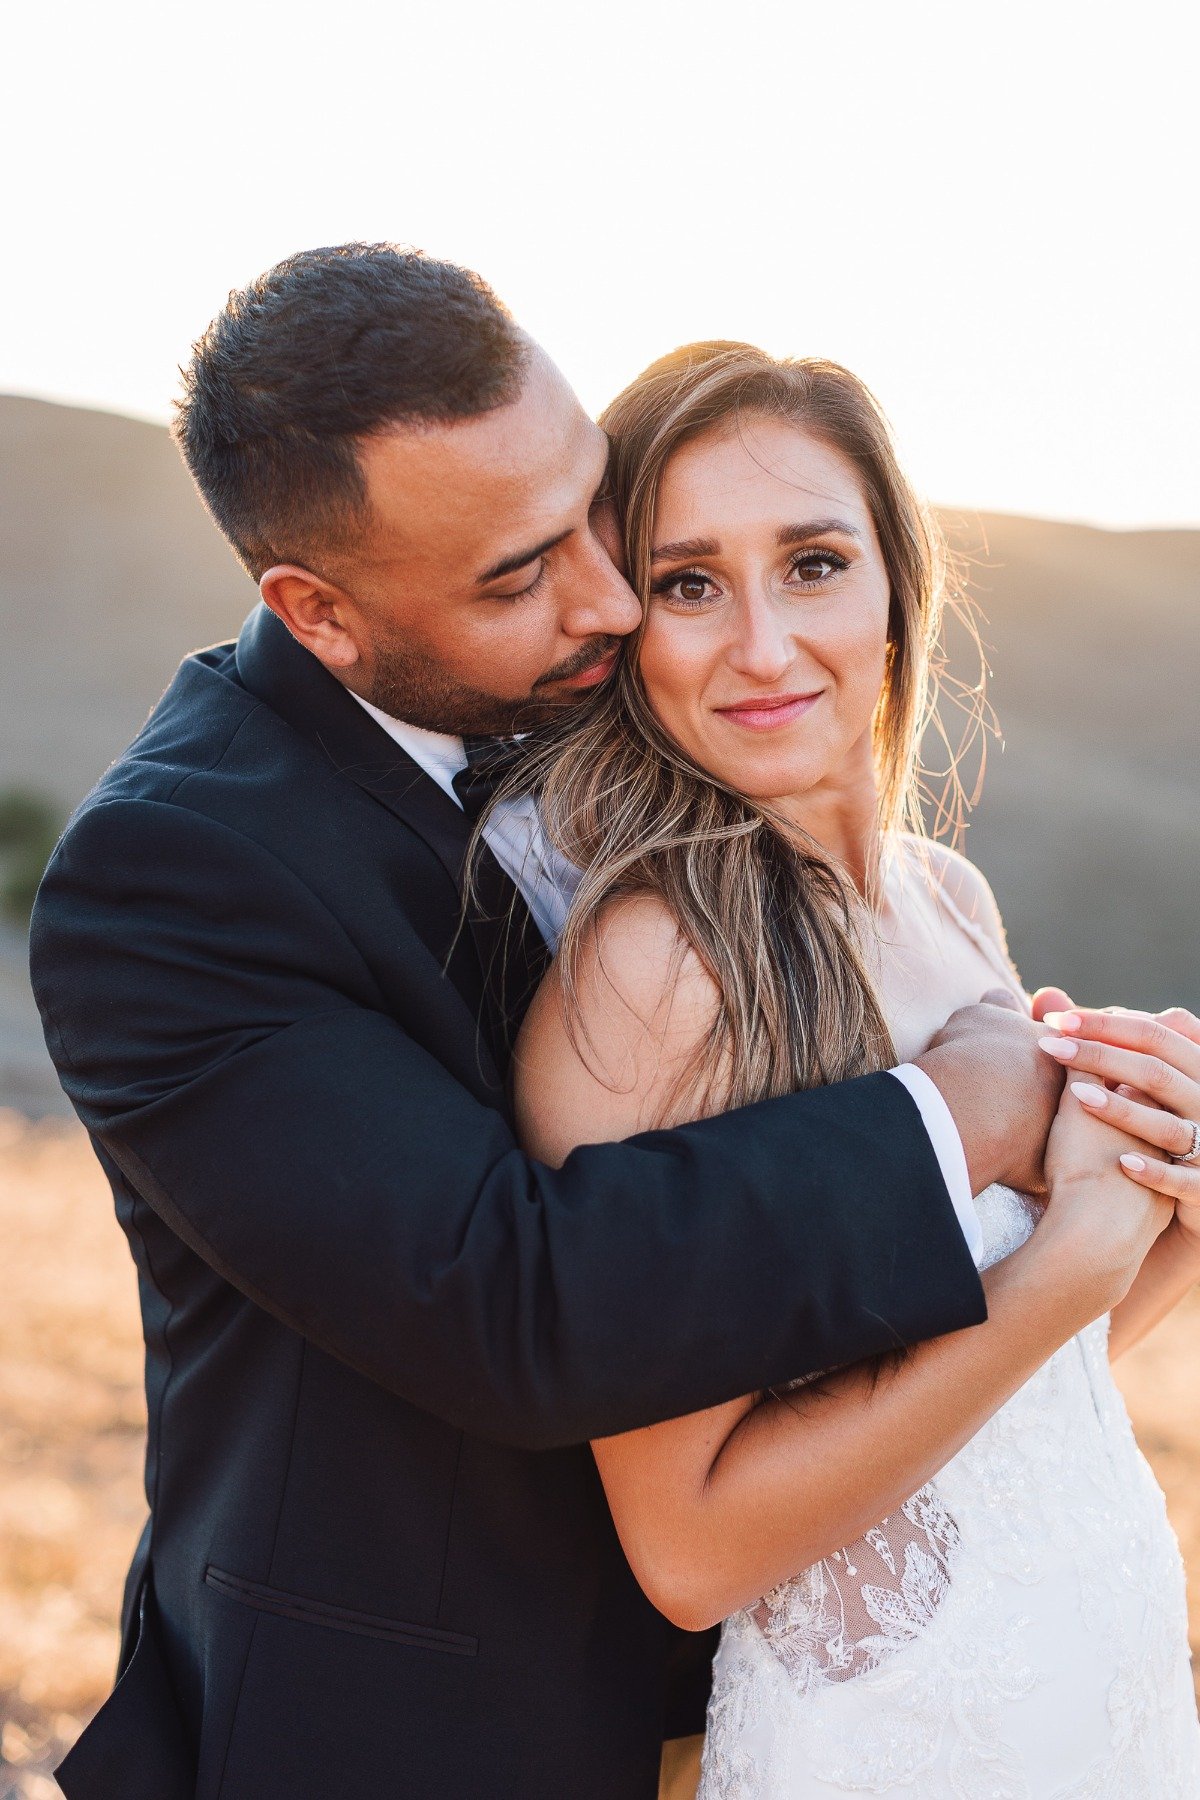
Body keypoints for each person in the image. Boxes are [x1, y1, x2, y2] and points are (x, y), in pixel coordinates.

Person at [24, 245, 1129, 1800]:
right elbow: (517, 1305)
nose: (610, 600)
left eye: (598, 516)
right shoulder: (175, 883)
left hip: (791, 1689)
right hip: (419, 1743)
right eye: (519, 573)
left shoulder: (724, 803)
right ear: (319, 614)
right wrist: (971, 1116)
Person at [511, 342, 1200, 1794]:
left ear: (897, 586)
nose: (762, 645)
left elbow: (989, 1405)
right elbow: (689, 1550)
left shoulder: (947, 901)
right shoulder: (658, 971)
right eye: (690, 582)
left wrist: (1162, 1192)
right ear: (630, 625)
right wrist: (1074, 1258)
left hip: (1098, 1684)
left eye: (813, 563)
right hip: (890, 1744)